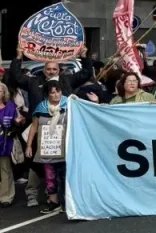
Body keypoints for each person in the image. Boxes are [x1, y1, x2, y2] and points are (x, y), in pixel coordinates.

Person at [8, 43, 95, 113]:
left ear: (58, 71)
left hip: (63, 120)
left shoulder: (68, 80)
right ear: (43, 70)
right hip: (39, 121)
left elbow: (86, 73)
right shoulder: (33, 81)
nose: (51, 71)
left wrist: (84, 57)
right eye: (48, 69)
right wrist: (18, 57)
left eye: (54, 69)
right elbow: (17, 76)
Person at [24, 81, 68, 214]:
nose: (56, 95)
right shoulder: (41, 107)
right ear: (47, 94)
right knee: (49, 177)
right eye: (52, 92)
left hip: (65, 148)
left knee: (66, 176)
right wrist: (29, 145)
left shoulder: (69, 104)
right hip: (47, 148)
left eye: (58, 91)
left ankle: (68, 203)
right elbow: (34, 126)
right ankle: (54, 203)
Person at [0, 83, 25, 208]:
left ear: (4, 93)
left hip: (4, 142)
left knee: (5, 170)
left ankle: (6, 197)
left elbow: (20, 123)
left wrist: (17, 122)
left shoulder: (10, 107)